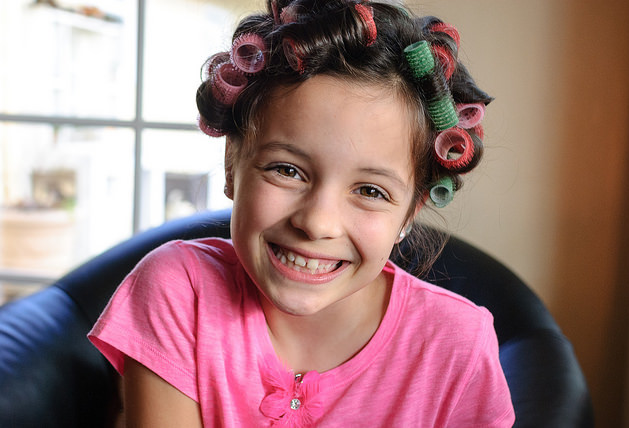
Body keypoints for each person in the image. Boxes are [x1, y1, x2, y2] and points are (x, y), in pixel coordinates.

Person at [89, 0, 515, 426]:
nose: (316, 223)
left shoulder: (457, 344)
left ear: (409, 213)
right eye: (287, 170)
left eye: (370, 191)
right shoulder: (180, 291)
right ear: (233, 164)